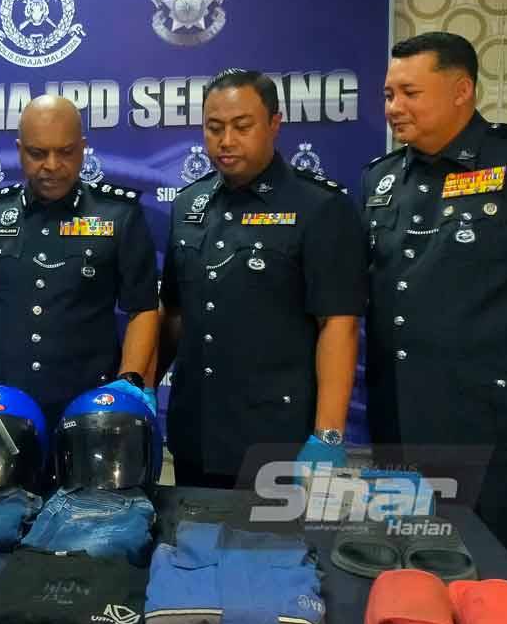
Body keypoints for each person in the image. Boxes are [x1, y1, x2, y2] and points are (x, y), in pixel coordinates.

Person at [364, 32, 507, 584]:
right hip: (402, 423)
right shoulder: (381, 179)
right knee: (412, 574)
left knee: (499, 581)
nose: (394, 107)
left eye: (410, 92)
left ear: (461, 90)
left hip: (495, 426)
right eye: (389, 94)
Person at [157, 69, 368, 488]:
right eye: (214, 128)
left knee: (273, 553)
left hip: (278, 439)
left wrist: (328, 434)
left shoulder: (319, 207)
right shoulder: (188, 205)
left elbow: (338, 325)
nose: (226, 140)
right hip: (195, 431)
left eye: (241, 126)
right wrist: (141, 391)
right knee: (195, 547)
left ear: (275, 123)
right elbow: (175, 315)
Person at [0, 95, 159, 427]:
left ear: (83, 148)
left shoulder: (118, 214)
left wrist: (131, 381)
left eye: (65, 152)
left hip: (92, 404)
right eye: (37, 153)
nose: (51, 165)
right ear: (19, 150)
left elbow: (143, 308)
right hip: (6, 404)